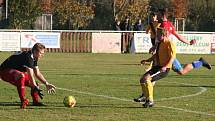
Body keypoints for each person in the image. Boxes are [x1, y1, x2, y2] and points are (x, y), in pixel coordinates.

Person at [0, 43, 56, 109]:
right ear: (35, 51)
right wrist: (34, 86)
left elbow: (37, 73)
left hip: (14, 72)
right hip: (4, 72)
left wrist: (46, 83)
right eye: (41, 53)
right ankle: (23, 100)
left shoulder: (34, 57)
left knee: (35, 83)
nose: (42, 55)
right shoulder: (28, 57)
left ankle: (35, 102)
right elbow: (31, 75)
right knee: (22, 76)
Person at [134, 28, 176, 108]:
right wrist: (147, 60)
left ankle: (150, 100)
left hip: (164, 69)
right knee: (142, 79)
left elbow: (172, 58)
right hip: (157, 67)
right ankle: (145, 97)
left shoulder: (169, 44)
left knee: (147, 79)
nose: (156, 37)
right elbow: (156, 55)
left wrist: (165, 66)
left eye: (158, 35)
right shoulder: (160, 43)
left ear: (163, 35)